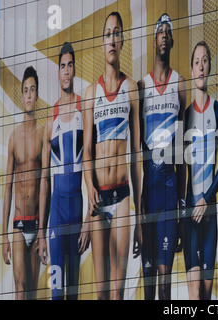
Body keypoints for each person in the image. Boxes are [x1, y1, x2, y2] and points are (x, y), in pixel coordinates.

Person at [83, 11, 141, 300]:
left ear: (122, 41)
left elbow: (137, 152)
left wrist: (139, 211)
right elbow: (86, 153)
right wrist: (90, 187)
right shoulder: (90, 93)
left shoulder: (131, 89)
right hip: (98, 197)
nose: (112, 39)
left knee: (117, 294)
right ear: (102, 42)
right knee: (101, 293)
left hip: (121, 195)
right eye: (107, 34)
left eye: (117, 33)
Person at [137, 13, 186, 300]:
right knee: (148, 278)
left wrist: (180, 204)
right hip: (148, 191)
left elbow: (182, 152)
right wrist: (137, 201)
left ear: (172, 40)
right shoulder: (141, 87)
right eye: (160, 32)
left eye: (168, 32)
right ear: (154, 40)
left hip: (168, 189)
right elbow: (136, 150)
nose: (165, 35)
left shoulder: (180, 83)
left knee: (165, 279)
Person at [38, 42, 90, 300]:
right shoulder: (51, 119)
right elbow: (44, 182)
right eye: (62, 66)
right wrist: (41, 233)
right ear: (58, 73)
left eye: (70, 65)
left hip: (77, 215)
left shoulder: (84, 109)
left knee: (74, 294)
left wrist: (89, 221)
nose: (66, 71)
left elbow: (90, 161)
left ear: (74, 70)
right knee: (56, 294)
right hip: (57, 218)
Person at [183, 41, 218, 300]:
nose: (201, 66)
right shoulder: (185, 115)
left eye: (205, 61)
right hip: (190, 218)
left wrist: (206, 198)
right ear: (191, 69)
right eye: (197, 61)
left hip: (210, 214)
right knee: (194, 297)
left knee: (207, 299)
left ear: (210, 67)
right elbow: (181, 171)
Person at [1, 66, 44, 300]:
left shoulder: (43, 134)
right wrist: (4, 236)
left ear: (37, 95)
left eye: (32, 90)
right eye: (25, 90)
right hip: (18, 224)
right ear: (21, 96)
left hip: (36, 225)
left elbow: (47, 184)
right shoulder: (13, 138)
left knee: (33, 293)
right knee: (20, 289)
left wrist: (44, 231)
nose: (28, 95)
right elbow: (7, 188)